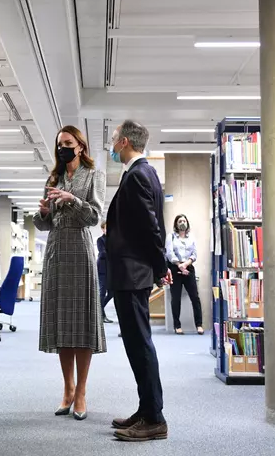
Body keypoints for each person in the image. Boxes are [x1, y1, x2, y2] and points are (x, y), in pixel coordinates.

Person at [33, 125, 106, 421]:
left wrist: (72, 200)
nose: (63, 148)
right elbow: (44, 223)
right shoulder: (53, 178)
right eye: (59, 144)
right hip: (56, 250)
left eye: (67, 143)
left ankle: (82, 392)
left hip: (80, 247)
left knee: (82, 324)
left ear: (80, 146)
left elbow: (94, 217)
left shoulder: (94, 176)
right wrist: (43, 213)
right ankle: (68, 388)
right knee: (63, 323)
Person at [105, 120, 170, 442]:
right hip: (133, 271)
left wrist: (160, 266)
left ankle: (154, 418)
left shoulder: (138, 175)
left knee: (140, 345)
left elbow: (151, 227)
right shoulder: (144, 173)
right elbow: (152, 224)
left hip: (132, 273)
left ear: (125, 142)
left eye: (115, 138)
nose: (112, 143)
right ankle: (146, 410)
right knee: (136, 344)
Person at [165, 214, 203, 335]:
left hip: (188, 268)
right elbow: (169, 253)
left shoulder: (191, 237)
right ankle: (177, 326)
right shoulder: (170, 237)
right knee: (176, 298)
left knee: (195, 297)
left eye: (184, 221)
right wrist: (179, 265)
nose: (182, 223)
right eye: (180, 221)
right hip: (175, 269)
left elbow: (194, 254)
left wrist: (185, 264)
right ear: (176, 224)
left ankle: (199, 325)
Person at [96, 221, 113, 324]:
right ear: (103, 229)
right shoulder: (100, 240)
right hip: (103, 269)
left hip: (111, 269)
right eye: (106, 228)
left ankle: (99, 310)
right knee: (102, 292)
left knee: (112, 293)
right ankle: (101, 315)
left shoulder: (114, 240)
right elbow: (102, 253)